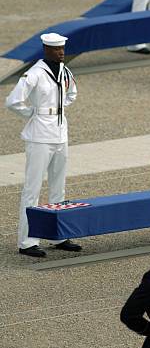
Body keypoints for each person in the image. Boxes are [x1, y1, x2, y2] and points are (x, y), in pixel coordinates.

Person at [5, 33, 80, 258]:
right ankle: (27, 241)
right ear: (46, 50)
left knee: (59, 187)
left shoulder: (65, 71)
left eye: (62, 49)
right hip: (39, 135)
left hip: (60, 132)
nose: (61, 53)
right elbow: (12, 100)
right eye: (57, 49)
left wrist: (59, 110)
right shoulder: (35, 73)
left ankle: (58, 234)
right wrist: (32, 113)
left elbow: (72, 94)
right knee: (32, 189)